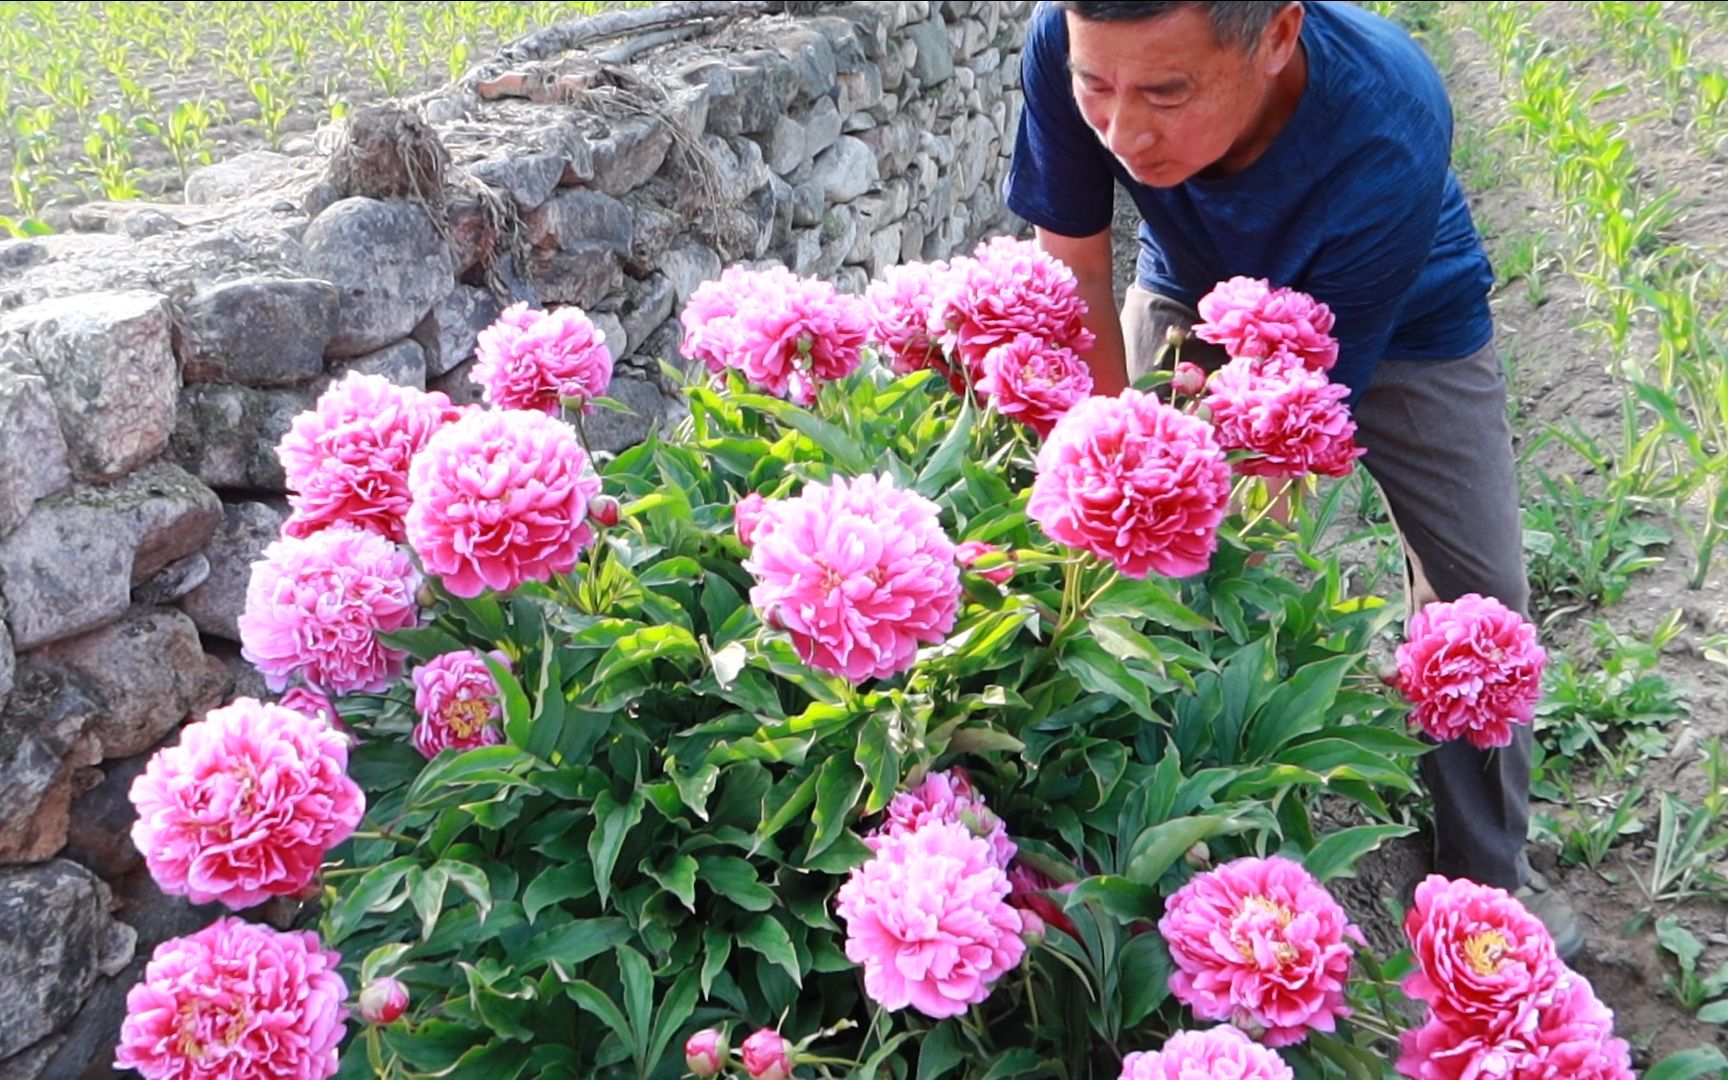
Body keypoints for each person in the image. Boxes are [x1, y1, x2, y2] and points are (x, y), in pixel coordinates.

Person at [1004, 0, 1583, 959]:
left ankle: (1488, 886)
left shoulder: (1387, 118)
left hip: (1404, 318)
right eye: (1096, 89)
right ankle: (1150, 871)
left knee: (1480, 599)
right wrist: (1108, 463)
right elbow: (1071, 266)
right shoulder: (1072, 37)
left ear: (1276, 35)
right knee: (1130, 562)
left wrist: (1244, 572)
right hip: (1190, 283)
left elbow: (1296, 447)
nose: (1122, 130)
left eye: (1167, 92)